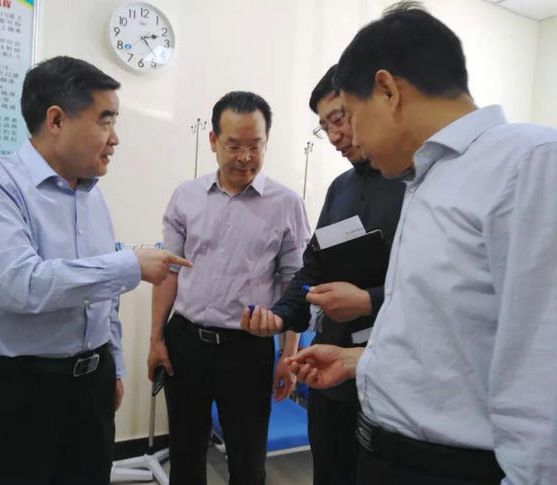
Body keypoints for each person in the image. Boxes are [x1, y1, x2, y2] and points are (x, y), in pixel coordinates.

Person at [286, 3, 557, 484]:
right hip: (385, 452)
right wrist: (362, 361)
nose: (351, 137)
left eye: (351, 115)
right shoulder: (424, 179)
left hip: (451, 467)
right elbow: (452, 336)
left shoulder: (530, 164)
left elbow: (542, 374)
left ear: (388, 91)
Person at [0, 55, 191, 485]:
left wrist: (112, 365)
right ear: (56, 120)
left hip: (89, 390)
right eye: (105, 121)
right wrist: (130, 265)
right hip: (11, 392)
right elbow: (20, 284)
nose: (115, 139)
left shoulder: (91, 195)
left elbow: (100, 296)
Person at [147, 91, 310, 485]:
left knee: (248, 461)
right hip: (186, 342)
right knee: (185, 455)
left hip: (247, 349)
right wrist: (156, 339)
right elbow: (169, 272)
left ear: (267, 142)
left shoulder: (286, 203)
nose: (245, 157)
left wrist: (288, 355)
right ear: (213, 141)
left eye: (255, 145)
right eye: (234, 145)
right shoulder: (186, 196)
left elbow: (293, 283)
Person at [257, 65, 404, 485]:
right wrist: (281, 315)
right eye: (325, 127)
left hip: (389, 373)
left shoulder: (414, 185)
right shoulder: (341, 188)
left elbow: (432, 290)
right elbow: (313, 267)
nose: (335, 135)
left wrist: (368, 301)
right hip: (330, 368)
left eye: (339, 119)